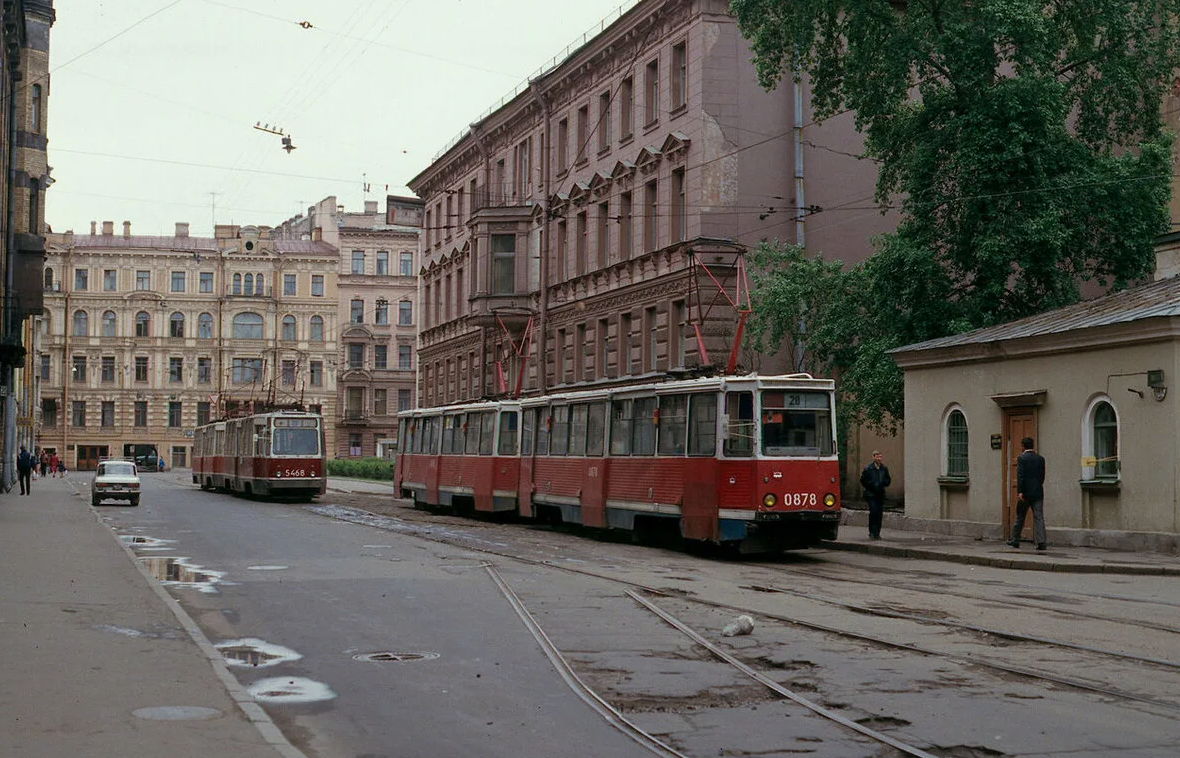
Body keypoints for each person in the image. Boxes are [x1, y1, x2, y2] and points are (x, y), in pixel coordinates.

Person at [1009, 436, 1047, 551]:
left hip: (1025, 493)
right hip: (1038, 491)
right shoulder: (1040, 459)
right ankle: (1041, 542)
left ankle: (1015, 539)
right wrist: (1038, 486)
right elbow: (1042, 476)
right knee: (1039, 517)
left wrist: (1020, 491)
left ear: (1023, 446)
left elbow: (1021, 476)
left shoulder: (1022, 458)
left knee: (1020, 516)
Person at [859, 450, 891, 540]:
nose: (879, 459)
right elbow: (863, 480)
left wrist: (884, 482)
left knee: (879, 514)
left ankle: (877, 533)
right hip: (871, 494)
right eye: (877, 457)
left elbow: (888, 479)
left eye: (880, 457)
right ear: (873, 457)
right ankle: (872, 532)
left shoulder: (884, 468)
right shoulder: (868, 468)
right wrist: (871, 485)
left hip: (880, 494)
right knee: (873, 512)